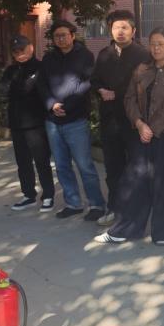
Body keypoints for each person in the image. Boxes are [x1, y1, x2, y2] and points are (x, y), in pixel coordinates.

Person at [96, 28, 164, 246]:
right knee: (135, 182)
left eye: (161, 44)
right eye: (153, 43)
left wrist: (151, 129)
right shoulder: (142, 69)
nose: (156, 48)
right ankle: (126, 229)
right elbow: (129, 98)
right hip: (141, 134)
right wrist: (139, 124)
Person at [37, 19, 106, 220]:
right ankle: (73, 203)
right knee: (61, 165)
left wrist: (66, 106)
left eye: (64, 35)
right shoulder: (48, 58)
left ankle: (96, 205)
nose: (60, 39)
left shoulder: (85, 56)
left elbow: (86, 84)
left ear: (72, 35)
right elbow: (41, 85)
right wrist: (52, 104)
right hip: (52, 120)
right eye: (56, 36)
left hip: (76, 119)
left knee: (85, 165)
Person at [91, 10, 150, 225]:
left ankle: (135, 212)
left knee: (136, 169)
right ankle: (114, 209)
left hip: (133, 121)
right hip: (110, 120)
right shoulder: (104, 54)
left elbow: (143, 86)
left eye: (125, 27)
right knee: (113, 167)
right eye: (116, 28)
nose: (120, 32)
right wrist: (100, 90)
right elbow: (94, 80)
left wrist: (117, 93)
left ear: (133, 31)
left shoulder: (142, 55)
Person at [0, 34, 56, 211]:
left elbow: (30, 90)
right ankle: (28, 194)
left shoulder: (41, 68)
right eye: (15, 52)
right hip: (17, 123)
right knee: (22, 162)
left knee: (41, 160)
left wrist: (18, 90)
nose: (19, 54)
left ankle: (48, 195)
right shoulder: (11, 70)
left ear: (30, 47)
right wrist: (16, 90)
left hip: (36, 123)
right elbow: (1, 92)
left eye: (22, 49)